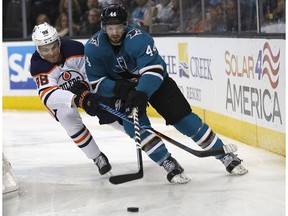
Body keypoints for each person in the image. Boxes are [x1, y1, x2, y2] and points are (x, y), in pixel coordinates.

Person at [76, 4, 248, 182]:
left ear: (125, 25)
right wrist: (118, 88)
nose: (114, 32)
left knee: (184, 120)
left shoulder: (139, 38)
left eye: (118, 27)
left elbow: (154, 71)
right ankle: (167, 162)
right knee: (134, 127)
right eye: (110, 28)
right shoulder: (93, 47)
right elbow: (96, 83)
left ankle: (224, 154)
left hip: (155, 84)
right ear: (103, 27)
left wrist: (141, 93)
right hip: (124, 92)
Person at [30, 22, 121, 177]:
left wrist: (87, 93)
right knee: (67, 117)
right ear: (38, 50)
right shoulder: (38, 65)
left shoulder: (75, 48)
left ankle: (134, 132)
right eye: (45, 50)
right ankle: (97, 157)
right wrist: (76, 98)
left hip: (85, 89)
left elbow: (90, 73)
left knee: (106, 109)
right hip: (64, 98)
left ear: (58, 42)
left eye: (53, 47)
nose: (51, 53)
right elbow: (49, 96)